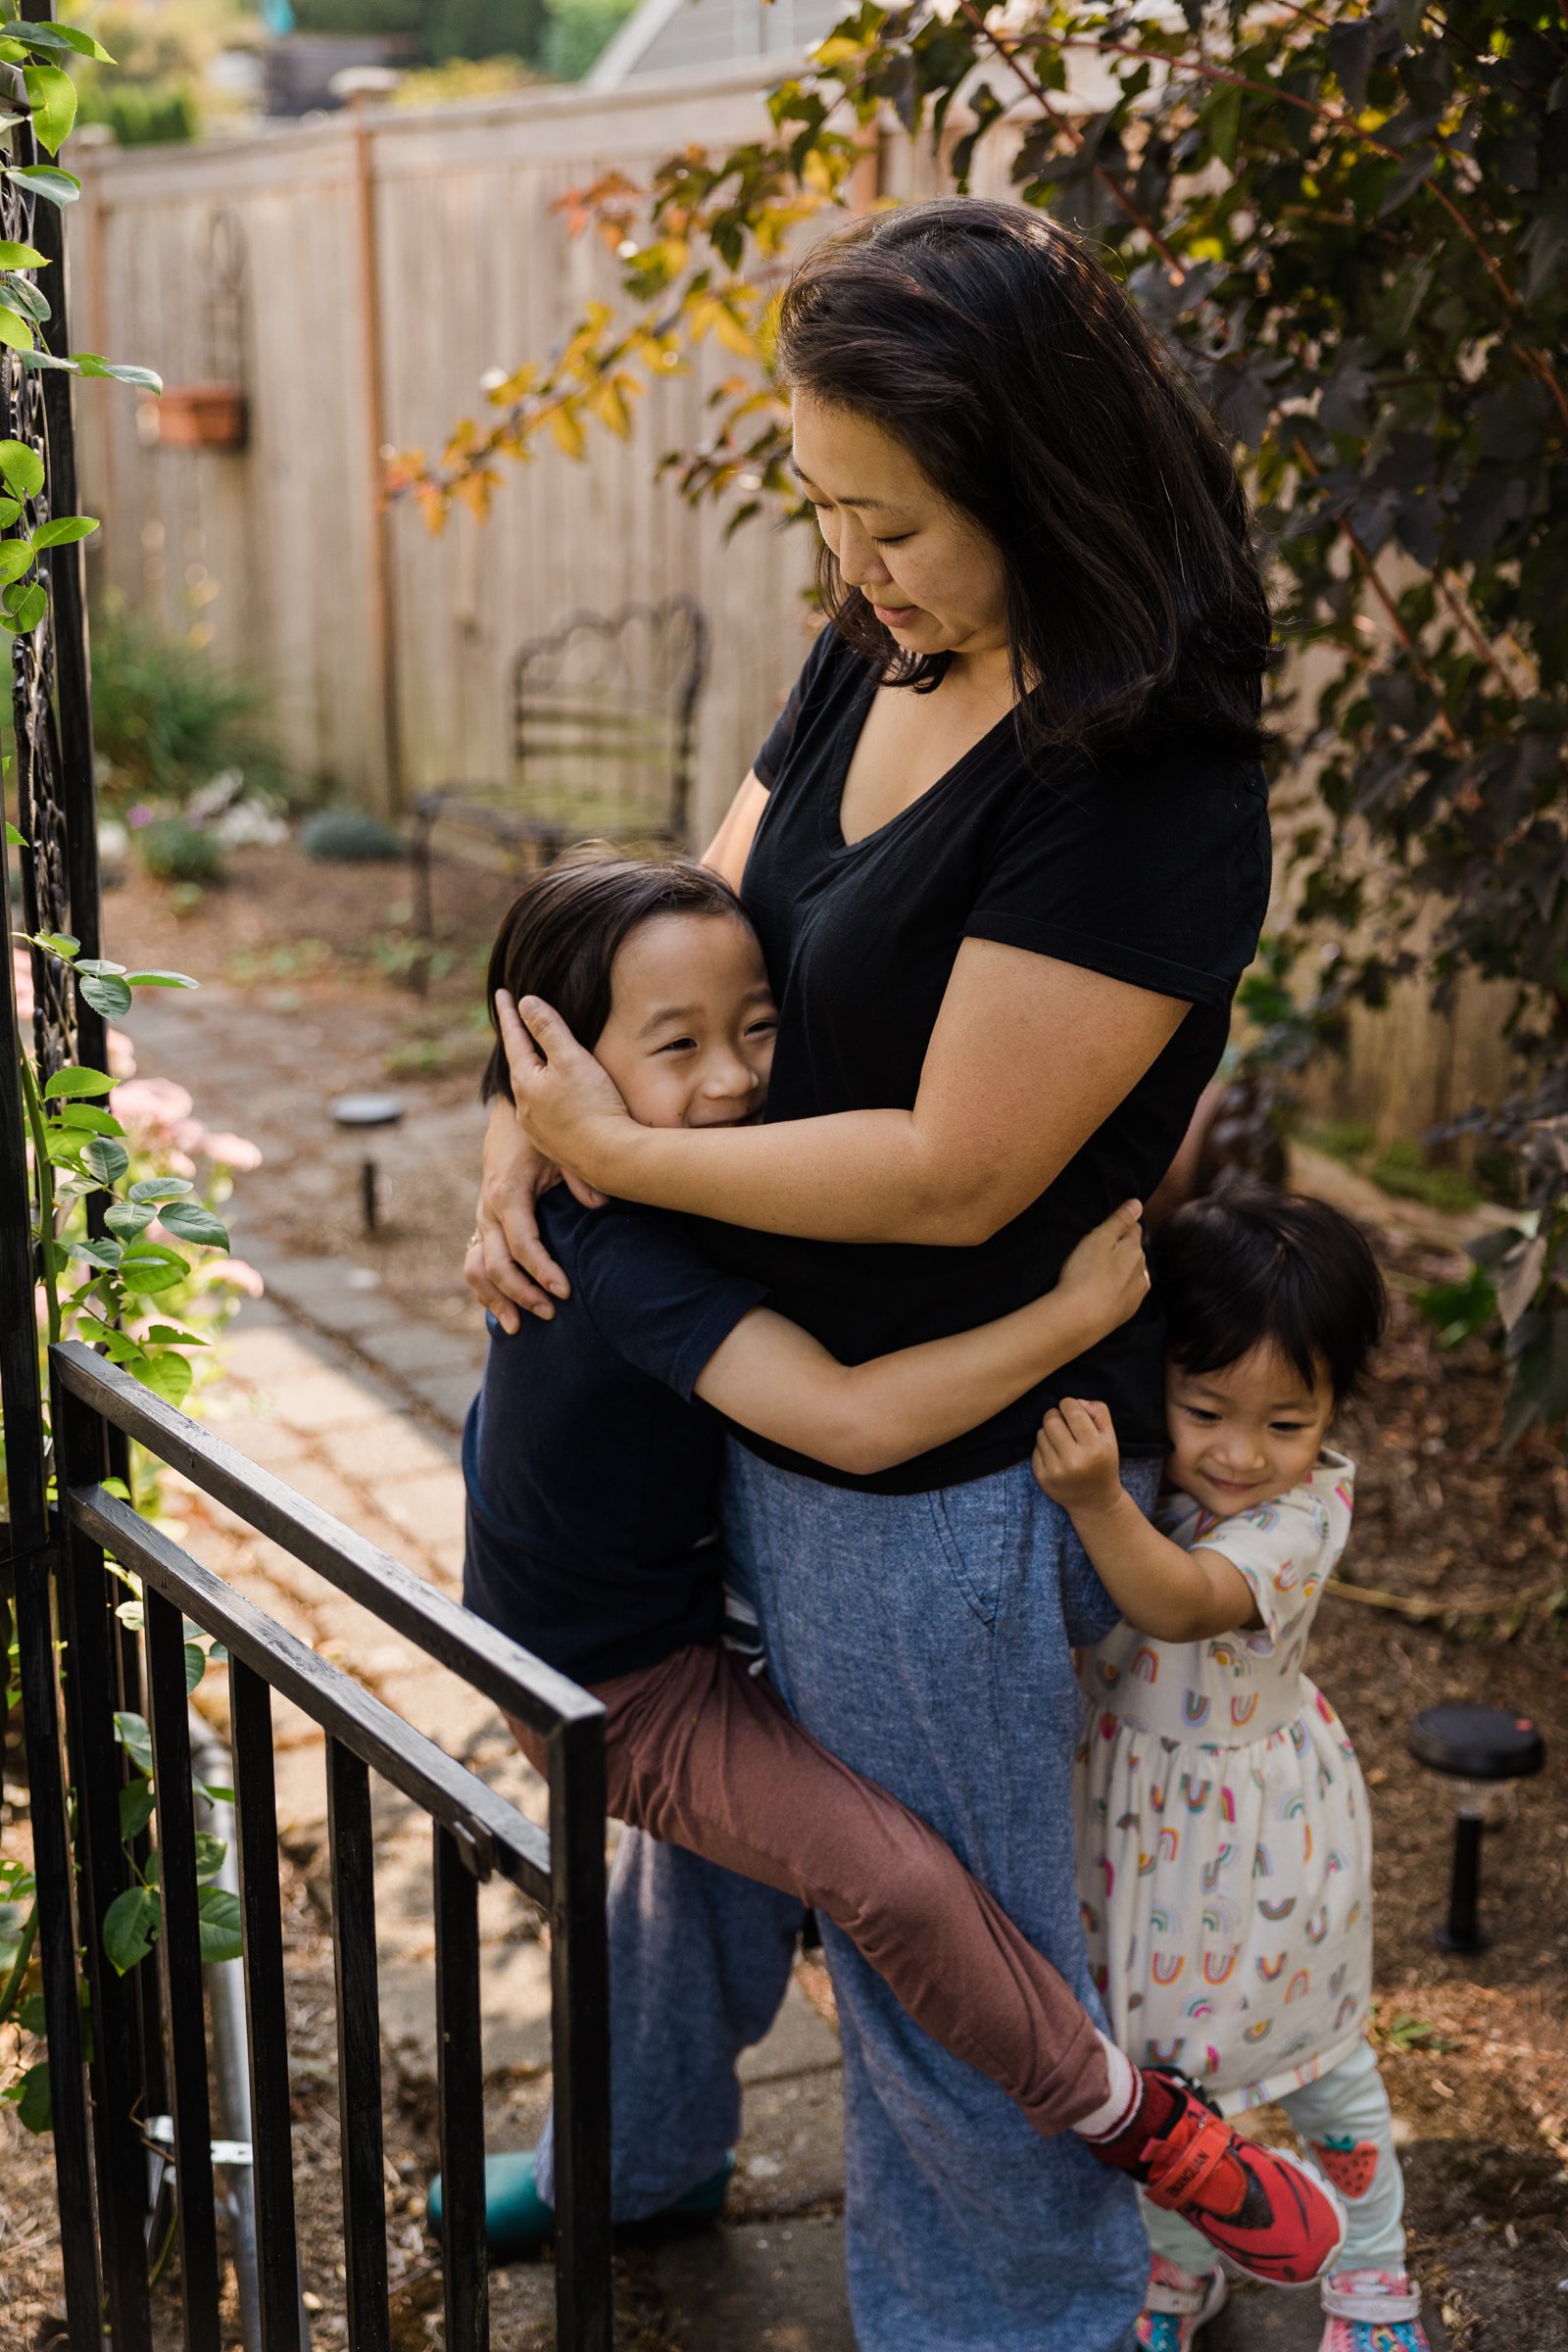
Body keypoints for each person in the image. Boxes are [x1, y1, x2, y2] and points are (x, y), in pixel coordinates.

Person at [468, 198, 1276, 2352]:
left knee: (936, 1925)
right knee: (701, 1825)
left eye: (892, 517)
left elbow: (950, 1171)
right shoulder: (881, 640)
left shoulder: (1149, 781)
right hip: (720, 1358)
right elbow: (689, 918)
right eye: (823, 508)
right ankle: (638, 2159)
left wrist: (611, 1158)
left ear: (1041, 482)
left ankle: (1001, 2316)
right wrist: (524, 1127)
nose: (848, 561)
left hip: (921, 1456)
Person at [430, 851, 1348, 2290]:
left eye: (759, 1025)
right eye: (678, 1047)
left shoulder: (690, 1158)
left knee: (692, 1903)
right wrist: (1072, 1318)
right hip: (627, 1680)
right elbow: (853, 1420)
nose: (737, 1078)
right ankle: (1136, 2122)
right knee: (898, 1885)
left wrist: (516, 1126)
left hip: (700, 1586)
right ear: (557, 1063)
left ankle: (632, 2168)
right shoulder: (625, 1249)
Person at [1037, 1191, 1430, 2352]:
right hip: (1123, 1824)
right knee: (1154, 2080)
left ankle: (1371, 2283)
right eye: (1205, 1408)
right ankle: (1181, 2266)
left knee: (1316, 2069)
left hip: (1256, 1835)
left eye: (1286, 1421)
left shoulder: (1300, 1518)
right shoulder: (1158, 1468)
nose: (1239, 1455)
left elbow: (1175, 1599)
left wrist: (1098, 1500)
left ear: (1331, 1418)